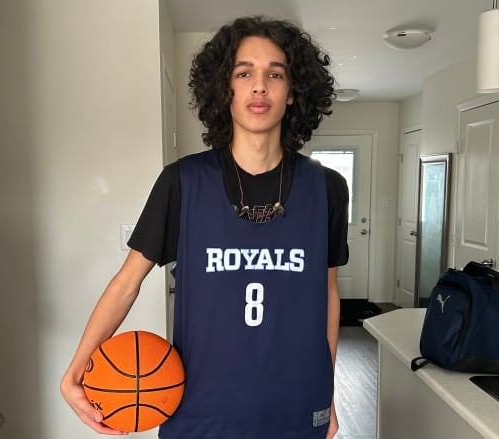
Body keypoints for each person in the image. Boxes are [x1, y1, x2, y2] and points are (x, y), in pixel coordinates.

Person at [61, 15, 349, 439]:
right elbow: (126, 283)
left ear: (293, 93)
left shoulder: (327, 188)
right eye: (244, 72)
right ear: (224, 89)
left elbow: (326, 293)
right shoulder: (183, 182)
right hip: (201, 405)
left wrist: (327, 392)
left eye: (275, 73)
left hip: (297, 400)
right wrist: (75, 370)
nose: (259, 86)